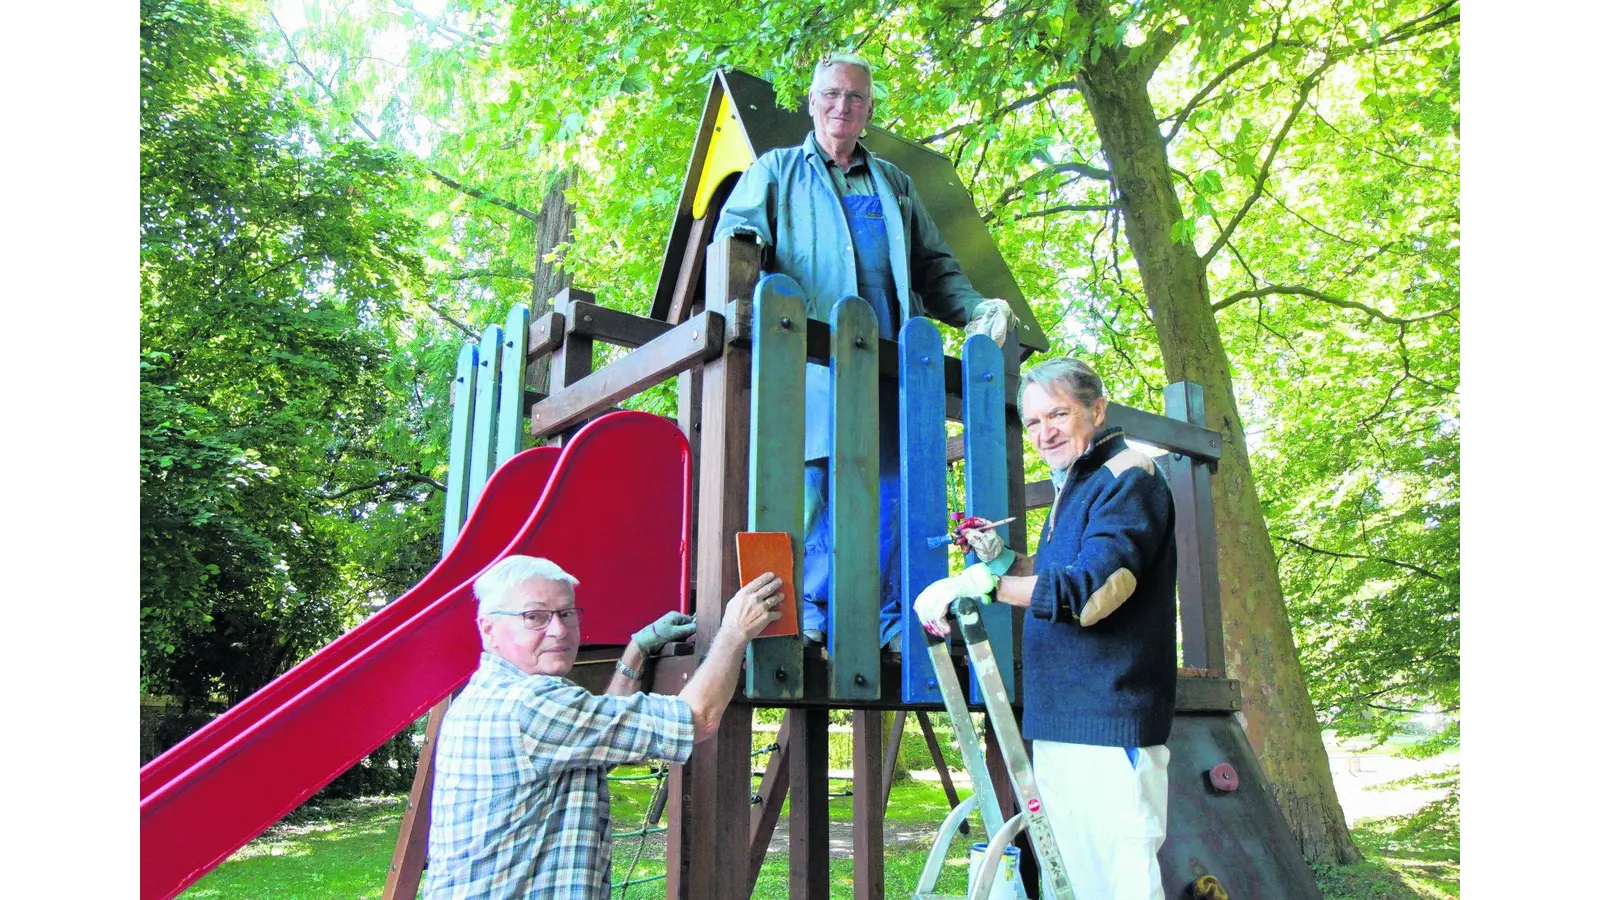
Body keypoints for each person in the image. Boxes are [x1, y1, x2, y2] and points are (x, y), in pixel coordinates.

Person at [713, 50, 1017, 651]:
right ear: (812, 101)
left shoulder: (893, 184)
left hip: (890, 376)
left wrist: (977, 309)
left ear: (869, 109)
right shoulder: (777, 171)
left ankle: (889, 624)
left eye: (854, 97)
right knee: (811, 495)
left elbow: (935, 266)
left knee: (892, 496)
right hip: (812, 370)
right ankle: (803, 621)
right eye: (830, 94)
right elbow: (735, 237)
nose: (841, 106)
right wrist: (746, 279)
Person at [913, 358, 1178, 900]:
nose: (1043, 433)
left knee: (1121, 888)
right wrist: (1000, 560)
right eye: (1032, 422)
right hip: (1059, 721)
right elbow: (1053, 576)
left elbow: (1092, 594)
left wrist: (978, 587)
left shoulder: (1129, 476)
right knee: (1075, 885)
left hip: (1110, 724)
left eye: (1057, 414)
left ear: (1096, 409)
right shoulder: (1077, 483)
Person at [422, 555, 783, 899]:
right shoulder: (529, 704)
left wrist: (635, 652)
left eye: (566, 613)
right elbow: (697, 719)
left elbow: (597, 742)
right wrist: (734, 631)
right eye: (535, 617)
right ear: (489, 628)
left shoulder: (491, 692)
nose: (559, 630)